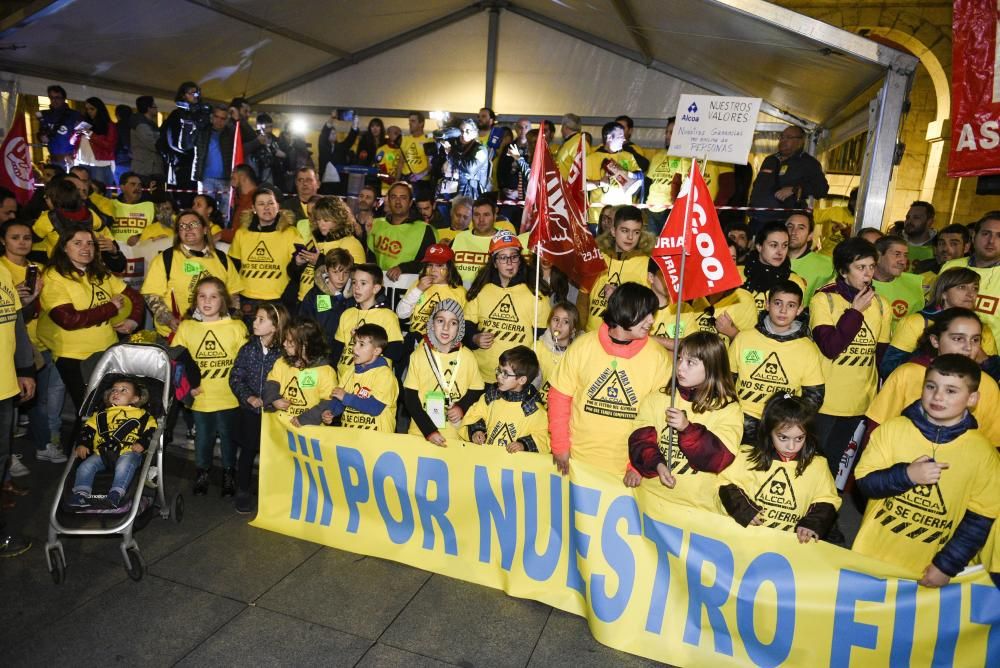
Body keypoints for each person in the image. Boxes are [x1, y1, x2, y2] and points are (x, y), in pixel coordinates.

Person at [854, 355, 1000, 586]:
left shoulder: (984, 454)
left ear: (972, 398)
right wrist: (907, 475)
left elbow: (980, 518)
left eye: (951, 391)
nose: (938, 396)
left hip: (931, 569)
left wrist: (946, 565)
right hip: (872, 557)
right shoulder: (893, 430)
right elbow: (865, 483)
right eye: (931, 386)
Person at [547, 283, 671, 476]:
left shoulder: (658, 357)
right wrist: (560, 446)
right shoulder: (583, 346)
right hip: (577, 464)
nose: (651, 321)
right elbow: (559, 397)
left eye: (652, 314)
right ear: (624, 310)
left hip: (626, 471)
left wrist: (639, 465)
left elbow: (660, 417)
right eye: (645, 314)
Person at [38, 227, 142, 440]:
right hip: (73, 356)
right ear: (64, 248)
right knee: (88, 410)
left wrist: (133, 320)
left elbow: (134, 297)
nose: (85, 247)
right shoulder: (54, 276)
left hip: (107, 352)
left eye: (90, 243)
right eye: (77, 243)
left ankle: (100, 457)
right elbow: (68, 319)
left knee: (106, 408)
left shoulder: (100, 273)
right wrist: (110, 308)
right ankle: (79, 460)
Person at [626, 331, 742, 510]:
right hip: (651, 502)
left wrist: (687, 429)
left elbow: (720, 458)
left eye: (690, 363)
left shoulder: (728, 409)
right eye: (679, 359)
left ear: (712, 367)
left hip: (696, 510)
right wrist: (657, 465)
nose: (680, 367)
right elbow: (640, 441)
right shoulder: (657, 399)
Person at [809, 238, 891, 480]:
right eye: (860, 267)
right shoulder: (824, 299)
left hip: (859, 400)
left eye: (871, 267)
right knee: (812, 458)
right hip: (825, 400)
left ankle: (825, 510)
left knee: (835, 462)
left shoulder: (882, 304)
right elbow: (831, 347)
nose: (868, 274)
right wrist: (855, 312)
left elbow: (881, 356)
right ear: (844, 271)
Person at [866, 308, 1000, 445]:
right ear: (935, 341)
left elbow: (993, 445)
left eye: (975, 340)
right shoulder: (907, 373)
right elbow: (876, 430)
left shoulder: (987, 385)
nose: (968, 347)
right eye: (958, 338)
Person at [718, 393, 840, 542]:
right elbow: (725, 482)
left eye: (799, 438)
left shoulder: (817, 465)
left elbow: (827, 499)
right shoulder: (745, 455)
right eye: (783, 437)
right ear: (769, 432)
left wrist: (811, 524)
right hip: (746, 539)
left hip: (787, 544)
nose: (791, 446)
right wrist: (744, 510)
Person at [170, 277, 248, 496]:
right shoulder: (187, 327)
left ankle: (228, 474)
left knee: (228, 437)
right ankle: (202, 472)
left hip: (229, 396)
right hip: (200, 396)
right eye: (202, 296)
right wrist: (186, 390)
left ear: (223, 300)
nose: (207, 301)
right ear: (195, 300)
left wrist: (244, 391)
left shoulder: (236, 327)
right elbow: (176, 363)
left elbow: (245, 363)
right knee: (203, 438)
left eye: (213, 296)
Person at [729, 281, 825, 444]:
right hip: (739, 423)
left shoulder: (807, 349)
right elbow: (725, 381)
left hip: (782, 429)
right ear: (767, 304)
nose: (783, 310)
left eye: (791, 305)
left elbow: (814, 396)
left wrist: (789, 423)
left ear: (799, 310)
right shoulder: (744, 338)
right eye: (778, 303)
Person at [1, 220, 64, 467]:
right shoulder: (3, 269)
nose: (22, 242)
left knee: (37, 400)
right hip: (13, 348)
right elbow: (14, 316)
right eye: (15, 237)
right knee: (15, 410)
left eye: (27, 237)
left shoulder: (40, 269)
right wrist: (21, 300)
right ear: (3, 241)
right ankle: (12, 457)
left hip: (39, 344)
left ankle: (40, 445)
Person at [142, 209, 242, 340]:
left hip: (216, 332)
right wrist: (169, 319)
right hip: (176, 335)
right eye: (182, 226)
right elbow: (151, 295)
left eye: (193, 224)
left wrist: (231, 320)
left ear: (205, 229)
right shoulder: (165, 259)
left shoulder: (222, 259)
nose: (187, 229)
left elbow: (233, 296)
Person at [465, 232, 551, 382]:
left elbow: (543, 339)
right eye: (503, 258)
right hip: (480, 376)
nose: (510, 263)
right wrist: (474, 338)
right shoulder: (480, 290)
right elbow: (465, 326)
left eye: (514, 256)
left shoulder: (536, 295)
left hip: (517, 380)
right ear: (494, 262)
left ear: (520, 260)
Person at [881, 268, 996, 379]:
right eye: (962, 287)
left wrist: (986, 361)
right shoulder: (917, 322)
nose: (971, 294)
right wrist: (929, 354)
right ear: (943, 294)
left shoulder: (983, 330)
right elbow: (888, 369)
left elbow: (995, 378)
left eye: (975, 288)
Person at [229, 303, 288, 514]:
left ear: (275, 326)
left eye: (261, 319)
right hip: (251, 412)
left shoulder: (284, 353)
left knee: (275, 454)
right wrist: (249, 397)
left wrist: (276, 399)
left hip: (275, 413)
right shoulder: (248, 349)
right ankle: (243, 490)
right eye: (255, 318)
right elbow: (236, 377)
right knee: (247, 451)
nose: (254, 322)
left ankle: (274, 492)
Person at [403, 299, 485, 446]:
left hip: (455, 435)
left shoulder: (467, 356)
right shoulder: (418, 355)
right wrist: (429, 431)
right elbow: (410, 399)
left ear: (460, 328)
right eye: (440, 321)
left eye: (453, 323)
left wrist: (461, 406)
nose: (446, 328)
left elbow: (477, 389)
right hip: (421, 433)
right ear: (432, 324)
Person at [68, 379, 156, 508]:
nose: (116, 392)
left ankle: (116, 493)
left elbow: (151, 432)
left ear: (135, 399)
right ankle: (81, 494)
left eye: (123, 390)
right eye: (114, 390)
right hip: (102, 453)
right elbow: (87, 431)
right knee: (85, 466)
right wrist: (83, 443)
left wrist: (142, 443)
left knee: (125, 464)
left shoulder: (142, 415)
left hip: (129, 451)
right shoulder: (100, 415)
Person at [0, 257, 36, 555]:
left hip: (5, 385)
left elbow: (16, 324)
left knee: (1, 459)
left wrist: (24, 368)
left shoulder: (2, 272)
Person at [229, 188, 303, 322]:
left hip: (279, 299)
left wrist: (297, 264)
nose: (267, 208)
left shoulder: (291, 233)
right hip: (247, 299)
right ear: (254, 208)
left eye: (270, 203)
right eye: (261, 204)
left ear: (278, 206)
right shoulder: (242, 233)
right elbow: (233, 267)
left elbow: (298, 272)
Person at [462, 345, 549, 454]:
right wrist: (477, 431)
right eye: (499, 370)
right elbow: (474, 415)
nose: (499, 376)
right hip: (485, 459)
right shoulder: (490, 397)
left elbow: (544, 437)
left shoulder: (534, 409)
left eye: (506, 374)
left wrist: (523, 444)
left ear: (522, 380)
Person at [578, 205, 653, 331]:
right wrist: (580, 329)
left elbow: (646, 307)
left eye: (636, 232)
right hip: (592, 336)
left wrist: (618, 296)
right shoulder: (597, 258)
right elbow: (583, 299)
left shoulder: (647, 264)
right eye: (624, 230)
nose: (630, 237)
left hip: (625, 338)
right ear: (613, 231)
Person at [748, 125, 829, 233]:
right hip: (757, 220)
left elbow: (822, 190)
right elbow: (758, 185)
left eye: (788, 137)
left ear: (801, 141)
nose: (783, 140)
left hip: (784, 222)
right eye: (781, 137)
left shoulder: (808, 163)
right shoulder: (770, 160)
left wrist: (794, 189)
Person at [319, 323, 397, 432]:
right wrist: (330, 412)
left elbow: (375, 408)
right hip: (353, 438)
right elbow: (339, 398)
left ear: (376, 351)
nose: (354, 348)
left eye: (361, 344)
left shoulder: (384, 374)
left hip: (377, 440)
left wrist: (345, 397)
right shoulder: (350, 371)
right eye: (354, 343)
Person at [331, 264, 404, 377]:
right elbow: (337, 351)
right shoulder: (347, 314)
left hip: (372, 381)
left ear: (376, 288)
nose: (356, 287)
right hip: (345, 379)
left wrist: (366, 341)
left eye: (363, 283)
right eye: (354, 282)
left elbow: (396, 353)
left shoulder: (387, 316)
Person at [263, 317, 338, 426]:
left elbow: (329, 401)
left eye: (289, 341)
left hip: (309, 432)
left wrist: (305, 419)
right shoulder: (282, 363)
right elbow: (271, 382)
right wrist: (274, 399)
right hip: (281, 428)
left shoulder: (325, 371)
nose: (284, 344)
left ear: (305, 344)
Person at [290, 197, 366, 303]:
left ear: (338, 219)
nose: (321, 224)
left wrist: (320, 261)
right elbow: (293, 276)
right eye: (318, 219)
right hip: (305, 300)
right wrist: (297, 264)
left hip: (331, 303)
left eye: (326, 220)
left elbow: (356, 278)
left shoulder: (350, 243)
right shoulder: (314, 239)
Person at [941, 211, 1000, 343]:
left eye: (999, 236)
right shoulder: (950, 267)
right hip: (946, 353)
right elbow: (935, 308)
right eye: (985, 234)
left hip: (991, 359)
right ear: (974, 237)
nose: (991, 241)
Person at [395, 243, 466, 346]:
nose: (433, 270)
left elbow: (460, 328)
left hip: (441, 346)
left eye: (439, 265)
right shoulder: (418, 284)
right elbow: (401, 313)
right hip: (415, 344)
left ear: (450, 268)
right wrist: (418, 290)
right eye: (429, 265)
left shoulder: (459, 292)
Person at [366, 181, 435, 281]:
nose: (398, 201)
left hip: (410, 289)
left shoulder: (424, 229)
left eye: (403, 197)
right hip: (379, 287)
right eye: (394, 197)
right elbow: (370, 259)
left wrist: (403, 268)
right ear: (388, 200)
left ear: (410, 202)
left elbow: (428, 261)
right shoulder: (376, 224)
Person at [740, 221, 808, 316]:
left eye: (784, 245)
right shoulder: (737, 274)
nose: (780, 252)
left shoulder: (794, 281)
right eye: (774, 245)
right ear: (759, 246)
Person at [451, 197, 518, 286]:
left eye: (486, 215)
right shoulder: (459, 238)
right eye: (477, 215)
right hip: (459, 295)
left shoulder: (506, 239)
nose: (481, 219)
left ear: (495, 217)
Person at [586, 122, 642, 228]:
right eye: (620, 136)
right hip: (599, 218)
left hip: (623, 216)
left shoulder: (628, 156)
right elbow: (581, 185)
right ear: (609, 137)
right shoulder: (591, 159)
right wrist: (599, 183)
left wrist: (622, 171)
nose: (624, 139)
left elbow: (639, 177)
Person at [298, 248, 352, 351]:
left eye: (345, 273)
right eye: (335, 272)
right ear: (326, 270)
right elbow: (303, 324)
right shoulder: (314, 295)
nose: (341, 278)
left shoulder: (355, 295)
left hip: (346, 351)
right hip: (319, 350)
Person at [872, 235, 925, 334]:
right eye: (897, 254)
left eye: (905, 255)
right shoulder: (858, 282)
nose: (903, 261)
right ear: (878, 257)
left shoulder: (913, 284)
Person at [193, 105, 238, 221]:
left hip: (226, 178)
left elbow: (245, 139)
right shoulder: (203, 131)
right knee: (204, 213)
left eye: (223, 118)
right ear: (211, 117)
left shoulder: (231, 132)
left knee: (225, 214)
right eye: (217, 117)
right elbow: (187, 144)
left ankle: (222, 235)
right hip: (206, 178)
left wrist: (236, 119)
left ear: (227, 120)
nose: (219, 121)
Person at [535, 301, 579, 404]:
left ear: (573, 330)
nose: (559, 325)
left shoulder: (579, 353)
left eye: (566, 322)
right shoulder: (538, 347)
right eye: (556, 319)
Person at [786, 212, 834, 304]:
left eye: (801, 228)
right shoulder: (769, 260)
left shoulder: (829, 265)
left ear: (810, 236)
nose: (793, 232)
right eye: (789, 226)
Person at [37, 84, 83, 170]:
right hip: (53, 159)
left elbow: (82, 137)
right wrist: (41, 137)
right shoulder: (45, 115)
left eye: (57, 97)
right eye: (51, 97)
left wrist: (74, 155)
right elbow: (41, 132)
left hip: (70, 159)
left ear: (63, 98)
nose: (54, 100)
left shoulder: (74, 115)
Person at [130, 95, 163, 182]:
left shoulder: (149, 123)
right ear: (149, 108)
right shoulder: (141, 125)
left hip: (149, 167)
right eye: (155, 106)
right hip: (145, 169)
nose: (156, 109)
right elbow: (153, 144)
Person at [400, 111, 433, 183]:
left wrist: (419, 175)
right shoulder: (405, 139)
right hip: (405, 178)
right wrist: (396, 181)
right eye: (409, 121)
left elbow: (431, 164)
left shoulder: (428, 140)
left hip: (421, 180)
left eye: (413, 121)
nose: (410, 124)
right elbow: (401, 162)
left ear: (421, 123)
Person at [902, 200, 937, 268]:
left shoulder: (938, 247)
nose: (909, 221)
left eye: (916, 218)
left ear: (929, 222)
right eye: (907, 217)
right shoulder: (894, 242)